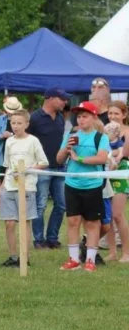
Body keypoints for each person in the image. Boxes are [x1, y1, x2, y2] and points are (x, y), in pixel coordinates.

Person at [57, 101, 110, 272]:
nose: (81, 120)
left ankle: (90, 260)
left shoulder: (101, 137)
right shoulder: (71, 135)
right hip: (72, 183)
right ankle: (73, 259)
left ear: (94, 118)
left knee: (92, 223)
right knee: (72, 221)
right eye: (78, 116)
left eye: (85, 116)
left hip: (93, 184)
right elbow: (58, 159)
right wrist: (67, 149)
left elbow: (102, 159)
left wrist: (79, 159)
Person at [0, 110, 48, 267]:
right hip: (10, 186)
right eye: (13, 123)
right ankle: (13, 257)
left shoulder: (33, 141)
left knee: (25, 222)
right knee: (9, 223)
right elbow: (7, 166)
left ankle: (24, 257)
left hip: (27, 187)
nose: (16, 126)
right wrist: (1, 187)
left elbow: (44, 162)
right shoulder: (9, 142)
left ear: (26, 124)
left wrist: (28, 169)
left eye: (19, 123)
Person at [29, 88, 69, 249]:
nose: (65, 102)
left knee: (61, 205)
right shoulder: (35, 118)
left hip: (60, 167)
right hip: (42, 169)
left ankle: (52, 238)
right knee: (41, 205)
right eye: (62, 99)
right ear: (50, 98)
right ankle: (39, 240)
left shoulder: (60, 118)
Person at [104, 101, 129, 262]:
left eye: (116, 113)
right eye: (110, 113)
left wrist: (112, 153)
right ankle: (112, 252)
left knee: (118, 214)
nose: (112, 117)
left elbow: (125, 152)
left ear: (124, 115)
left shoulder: (127, 131)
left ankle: (126, 252)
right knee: (108, 215)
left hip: (122, 171)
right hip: (107, 172)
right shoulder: (105, 131)